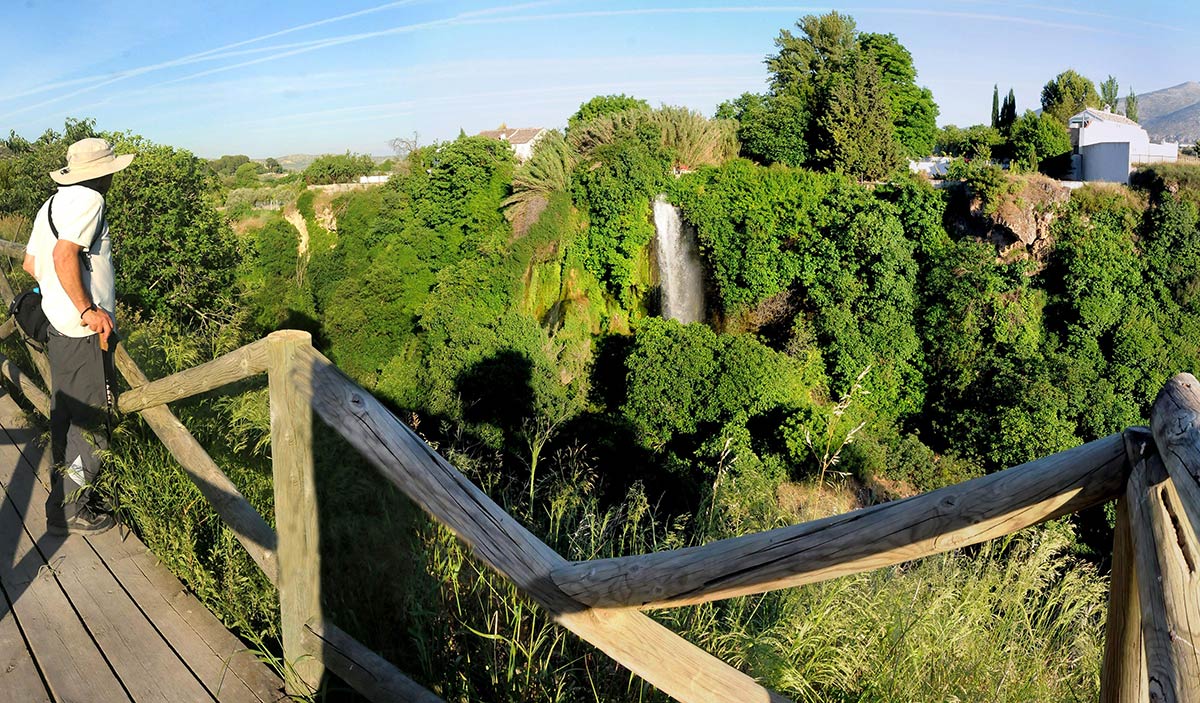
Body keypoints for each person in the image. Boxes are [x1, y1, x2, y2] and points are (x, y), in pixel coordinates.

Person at [22, 137, 132, 536]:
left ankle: (63, 499)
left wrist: (60, 297)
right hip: (83, 330)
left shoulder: (51, 204)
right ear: (101, 173)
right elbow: (63, 255)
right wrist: (87, 308)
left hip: (58, 325)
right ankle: (72, 509)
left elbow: (31, 263)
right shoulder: (90, 201)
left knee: (66, 417)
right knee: (93, 424)